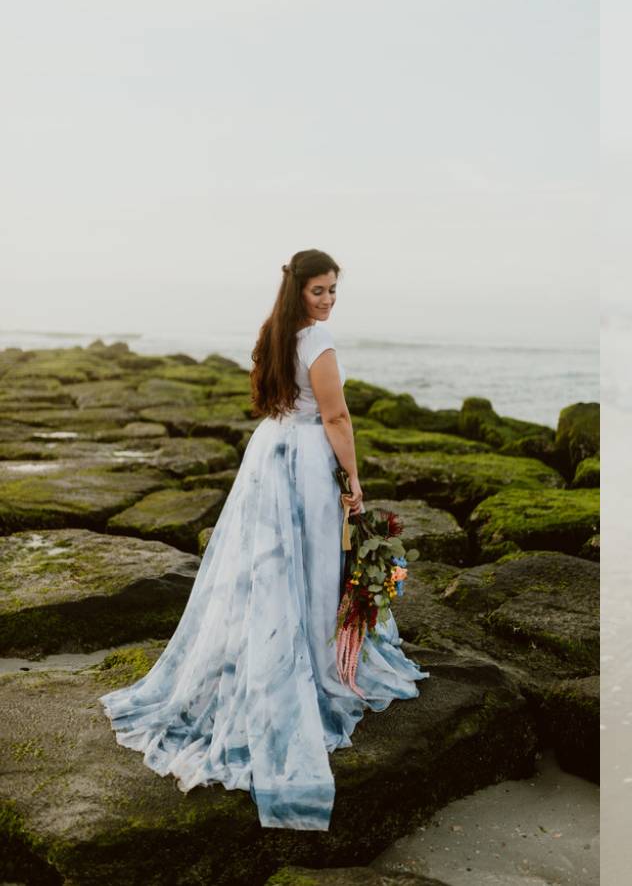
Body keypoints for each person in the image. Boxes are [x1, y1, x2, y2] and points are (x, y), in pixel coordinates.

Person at [99, 248, 430, 831]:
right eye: (319, 291)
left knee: (270, 564)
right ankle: (310, 655)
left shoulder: (275, 334)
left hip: (268, 450)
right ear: (298, 289)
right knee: (311, 561)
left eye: (333, 291)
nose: (327, 300)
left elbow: (281, 401)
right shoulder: (319, 345)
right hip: (302, 460)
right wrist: (353, 480)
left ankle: (284, 639)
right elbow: (336, 419)